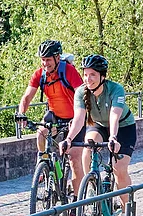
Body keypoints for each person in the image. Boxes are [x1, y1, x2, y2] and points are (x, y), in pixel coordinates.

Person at [15, 40, 89, 187]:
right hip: (55, 116)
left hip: (76, 118)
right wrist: (21, 113)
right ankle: (44, 164)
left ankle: (75, 203)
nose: (45, 63)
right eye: (42, 60)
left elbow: (83, 95)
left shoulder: (69, 71)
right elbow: (27, 97)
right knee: (41, 133)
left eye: (48, 59)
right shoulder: (40, 74)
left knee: (74, 160)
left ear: (57, 58)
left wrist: (81, 118)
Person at [77, 53, 139, 190]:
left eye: (92, 74)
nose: (88, 79)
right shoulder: (81, 92)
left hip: (123, 127)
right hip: (98, 125)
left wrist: (113, 137)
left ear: (102, 76)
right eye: (85, 74)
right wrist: (68, 140)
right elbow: (79, 119)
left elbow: (114, 116)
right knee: (88, 146)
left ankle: (125, 209)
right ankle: (92, 187)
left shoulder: (115, 89)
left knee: (119, 169)